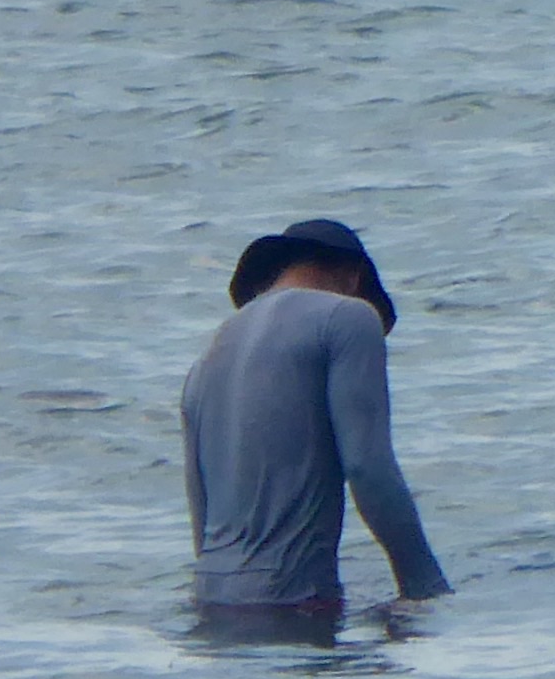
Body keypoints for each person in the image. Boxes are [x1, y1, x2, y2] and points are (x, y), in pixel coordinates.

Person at [181, 217, 451, 622]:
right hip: (294, 599)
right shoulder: (349, 317)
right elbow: (368, 468)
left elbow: (201, 516)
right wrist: (426, 592)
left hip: (211, 600)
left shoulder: (210, 354)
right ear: (353, 278)